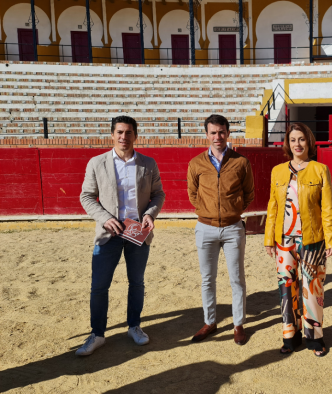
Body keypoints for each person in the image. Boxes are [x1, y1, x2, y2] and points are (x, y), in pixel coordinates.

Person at [77, 115, 166, 356]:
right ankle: (97, 334)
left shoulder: (148, 163)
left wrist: (150, 213)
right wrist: (105, 218)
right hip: (109, 233)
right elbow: (86, 196)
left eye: (128, 132)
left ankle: (134, 326)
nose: (123, 137)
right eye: (119, 132)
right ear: (112, 134)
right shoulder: (97, 163)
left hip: (138, 231)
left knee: (136, 282)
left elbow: (158, 194)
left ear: (135, 135)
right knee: (99, 286)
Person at [264, 122, 332, 357]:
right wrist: (268, 239)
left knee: (312, 288)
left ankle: (315, 338)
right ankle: (290, 335)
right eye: (293, 140)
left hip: (312, 240)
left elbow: (327, 208)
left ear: (309, 143)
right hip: (283, 239)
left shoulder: (320, 169)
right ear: (288, 143)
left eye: (302, 139)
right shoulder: (277, 171)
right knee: (286, 288)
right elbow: (273, 207)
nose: (297, 144)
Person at [187, 114, 255, 345]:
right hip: (205, 228)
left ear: (228, 133)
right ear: (207, 134)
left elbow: (249, 194)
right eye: (213, 132)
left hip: (233, 227)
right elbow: (192, 194)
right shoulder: (196, 163)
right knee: (208, 278)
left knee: (237, 278)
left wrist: (233, 210)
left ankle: (238, 324)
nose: (218, 136)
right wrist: (206, 211)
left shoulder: (241, 162)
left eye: (221, 132)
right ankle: (210, 321)